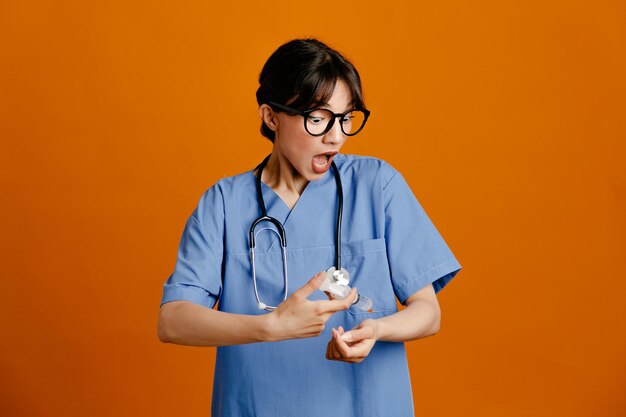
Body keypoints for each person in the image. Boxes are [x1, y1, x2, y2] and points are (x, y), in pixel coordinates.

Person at [158, 38, 462, 417]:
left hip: (368, 405)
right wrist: (271, 326)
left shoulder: (377, 184)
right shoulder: (224, 203)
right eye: (317, 118)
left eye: (346, 118)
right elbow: (173, 321)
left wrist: (377, 330)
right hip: (257, 406)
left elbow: (428, 312)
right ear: (271, 117)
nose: (335, 136)